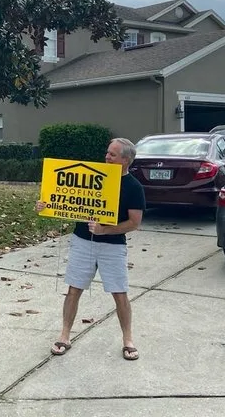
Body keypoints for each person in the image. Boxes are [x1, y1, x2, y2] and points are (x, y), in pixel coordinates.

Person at [36, 138, 146, 361]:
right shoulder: (88, 177)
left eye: (112, 155)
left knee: (120, 294)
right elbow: (64, 199)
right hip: (82, 241)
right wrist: (45, 206)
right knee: (73, 290)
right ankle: (64, 335)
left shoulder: (134, 187)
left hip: (113, 246)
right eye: (107, 153)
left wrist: (105, 230)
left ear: (126, 160)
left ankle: (128, 340)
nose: (107, 157)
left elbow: (134, 223)